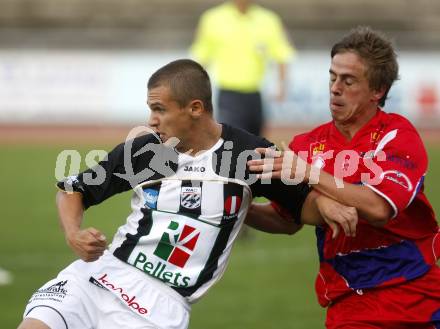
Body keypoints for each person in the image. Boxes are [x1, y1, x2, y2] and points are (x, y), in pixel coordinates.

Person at [18, 59, 355, 329]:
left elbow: (296, 217)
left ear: (194, 108)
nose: (151, 120)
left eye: (159, 109)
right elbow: (73, 190)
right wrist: (74, 233)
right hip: (97, 277)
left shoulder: (248, 154)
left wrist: (322, 201)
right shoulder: (148, 151)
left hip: (160, 308)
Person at [247, 26, 440, 328]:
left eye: (348, 81)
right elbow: (286, 220)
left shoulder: (396, 136)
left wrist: (309, 173)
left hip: (415, 293)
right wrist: (240, 208)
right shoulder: (306, 146)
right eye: (332, 77)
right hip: (350, 299)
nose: (335, 88)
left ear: (378, 91)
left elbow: (378, 207)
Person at [190, 0, 294, 136]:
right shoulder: (213, 19)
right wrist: (194, 88)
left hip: (255, 95)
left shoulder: (268, 20)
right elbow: (201, 56)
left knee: (255, 144)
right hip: (228, 95)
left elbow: (282, 54)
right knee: (232, 142)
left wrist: (281, 85)